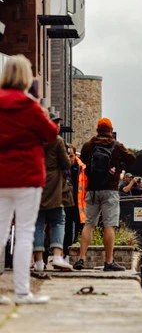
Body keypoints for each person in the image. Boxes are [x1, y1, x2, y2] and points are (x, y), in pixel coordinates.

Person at [0, 55, 59, 304]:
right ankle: (22, 292)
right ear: (25, 77)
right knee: (24, 233)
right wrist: (42, 111)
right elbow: (51, 133)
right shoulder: (30, 105)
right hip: (27, 177)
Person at [73, 118, 136, 271]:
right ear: (110, 130)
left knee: (89, 224)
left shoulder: (89, 145)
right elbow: (132, 159)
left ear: (97, 130)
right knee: (109, 225)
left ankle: (81, 259)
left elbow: (82, 162)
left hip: (92, 190)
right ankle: (108, 262)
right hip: (110, 190)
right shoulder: (116, 146)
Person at [33, 113, 73, 272]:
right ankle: (57, 256)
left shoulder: (34, 141)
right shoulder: (57, 141)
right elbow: (65, 164)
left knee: (37, 223)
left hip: (37, 184)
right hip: (54, 187)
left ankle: (38, 262)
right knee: (58, 220)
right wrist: (70, 158)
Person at [63, 144, 87, 258]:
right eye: (67, 155)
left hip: (79, 203)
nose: (69, 158)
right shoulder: (62, 167)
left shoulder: (81, 168)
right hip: (66, 203)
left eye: (71, 155)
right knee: (66, 229)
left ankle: (76, 253)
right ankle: (66, 252)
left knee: (79, 228)